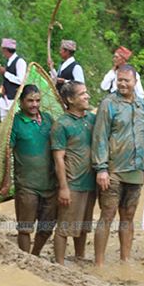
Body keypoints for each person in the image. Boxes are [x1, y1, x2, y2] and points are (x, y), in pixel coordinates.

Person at [91, 64, 144, 266]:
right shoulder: (109, 104)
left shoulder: (142, 106)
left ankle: (125, 259)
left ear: (135, 82)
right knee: (107, 215)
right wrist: (101, 168)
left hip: (136, 171)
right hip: (113, 171)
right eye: (120, 80)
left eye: (127, 80)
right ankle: (99, 263)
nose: (123, 84)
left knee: (129, 216)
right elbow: (100, 136)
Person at [0, 85, 57, 255]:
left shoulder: (47, 119)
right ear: (21, 102)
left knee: (47, 227)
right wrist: (6, 181)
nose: (34, 104)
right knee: (25, 227)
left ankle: (35, 255)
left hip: (50, 184)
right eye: (30, 100)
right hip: (26, 185)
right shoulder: (15, 122)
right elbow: (7, 152)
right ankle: (25, 259)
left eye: (37, 100)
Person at [51, 81, 96, 264]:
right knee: (64, 227)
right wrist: (63, 187)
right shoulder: (61, 125)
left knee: (83, 225)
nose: (87, 96)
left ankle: (79, 257)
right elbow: (58, 158)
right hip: (72, 182)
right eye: (82, 94)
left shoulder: (91, 119)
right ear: (70, 99)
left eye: (87, 92)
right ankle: (60, 264)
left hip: (89, 182)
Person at [0, 38, 26, 121]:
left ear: (6, 50)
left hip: (14, 98)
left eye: (2, 49)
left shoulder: (20, 62)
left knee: (13, 122)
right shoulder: (8, 61)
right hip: (5, 97)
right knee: (3, 121)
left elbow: (21, 80)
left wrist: (5, 73)